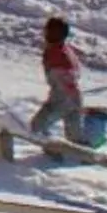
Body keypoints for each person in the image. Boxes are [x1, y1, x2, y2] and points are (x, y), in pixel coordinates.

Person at [28, 15, 85, 146]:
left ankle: (52, 154)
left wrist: (66, 98)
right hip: (74, 98)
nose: (46, 35)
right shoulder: (63, 49)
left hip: (62, 99)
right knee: (75, 139)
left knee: (37, 127)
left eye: (50, 32)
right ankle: (82, 159)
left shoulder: (58, 54)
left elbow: (66, 77)